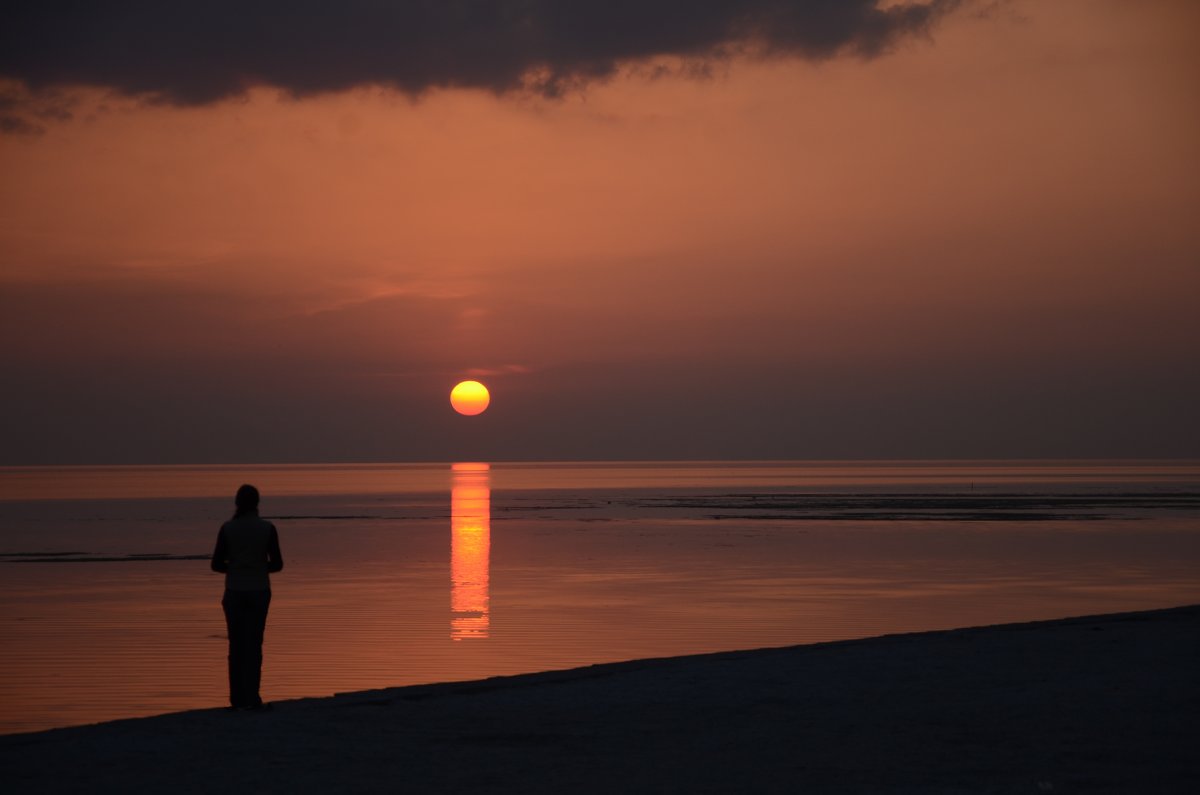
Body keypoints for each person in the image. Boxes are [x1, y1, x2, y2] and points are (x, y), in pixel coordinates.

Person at [211, 484, 283, 711]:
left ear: (237, 503)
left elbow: (216, 564)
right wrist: (258, 567)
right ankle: (252, 697)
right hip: (259, 590)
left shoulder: (227, 528)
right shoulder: (267, 529)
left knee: (236, 646)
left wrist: (236, 568)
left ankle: (236, 699)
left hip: (234, 591)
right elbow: (278, 564)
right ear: (258, 503)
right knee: (254, 645)